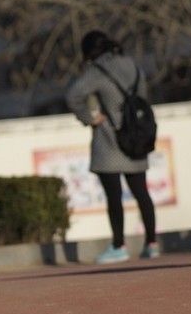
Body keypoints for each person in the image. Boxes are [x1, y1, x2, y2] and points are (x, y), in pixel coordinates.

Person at [65, 30, 158, 263]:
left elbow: (73, 95)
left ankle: (119, 245)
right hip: (136, 134)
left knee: (113, 195)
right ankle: (152, 243)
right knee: (141, 192)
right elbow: (142, 96)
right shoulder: (132, 64)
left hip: (111, 137)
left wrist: (90, 117)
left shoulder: (98, 70)